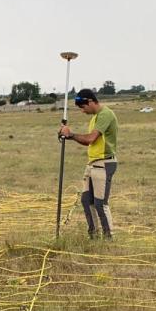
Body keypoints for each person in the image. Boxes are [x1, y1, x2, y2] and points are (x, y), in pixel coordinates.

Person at [58, 88, 119, 239]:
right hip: (92, 164)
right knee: (86, 201)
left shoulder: (105, 114)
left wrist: (71, 134)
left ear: (90, 102)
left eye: (83, 107)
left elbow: (90, 139)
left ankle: (108, 237)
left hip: (103, 164)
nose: (82, 111)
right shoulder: (95, 118)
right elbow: (89, 141)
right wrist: (68, 136)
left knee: (100, 203)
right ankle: (94, 235)